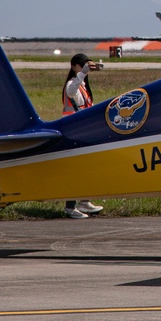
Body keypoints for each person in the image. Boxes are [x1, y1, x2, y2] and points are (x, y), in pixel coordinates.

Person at [62, 52, 104, 219]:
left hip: (83, 131)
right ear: (74, 67)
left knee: (87, 167)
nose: (85, 68)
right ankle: (70, 206)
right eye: (82, 65)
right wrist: (82, 73)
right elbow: (71, 92)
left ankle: (84, 202)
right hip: (72, 131)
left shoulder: (83, 86)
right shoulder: (73, 83)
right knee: (75, 170)